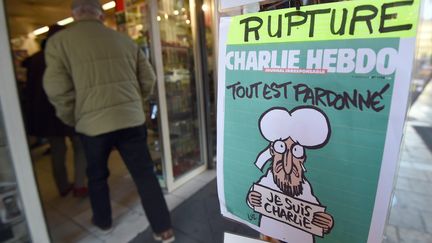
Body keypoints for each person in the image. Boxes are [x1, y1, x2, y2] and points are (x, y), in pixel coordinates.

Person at [42, 0, 173, 241]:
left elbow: (57, 90)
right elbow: (149, 79)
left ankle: (103, 222)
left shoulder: (58, 43)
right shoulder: (124, 40)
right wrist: (135, 103)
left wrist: (73, 117)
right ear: (101, 16)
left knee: (97, 176)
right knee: (144, 175)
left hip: (92, 125)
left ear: (74, 16)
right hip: (131, 121)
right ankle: (163, 229)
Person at [23, 25, 88, 198]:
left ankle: (63, 186)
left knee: (57, 151)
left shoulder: (35, 60)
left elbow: (29, 92)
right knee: (80, 147)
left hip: (46, 115)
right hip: (69, 110)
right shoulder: (68, 56)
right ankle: (80, 185)